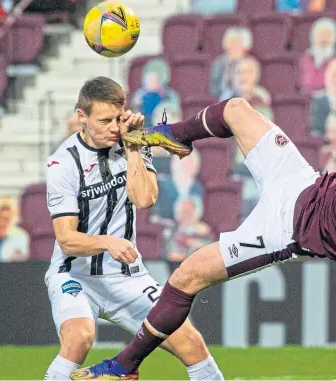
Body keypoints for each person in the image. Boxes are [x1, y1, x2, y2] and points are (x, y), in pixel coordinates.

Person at [71, 97, 336, 380]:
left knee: (187, 275)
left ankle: (124, 366)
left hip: (281, 229)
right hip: (299, 179)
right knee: (236, 109)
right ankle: (175, 138)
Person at [44, 77, 223, 380]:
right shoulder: (63, 164)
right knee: (79, 339)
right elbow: (66, 239)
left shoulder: (133, 141)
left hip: (128, 277)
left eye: (117, 117)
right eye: (104, 121)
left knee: (191, 343)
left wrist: (134, 147)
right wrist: (108, 242)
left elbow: (145, 199)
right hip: (75, 275)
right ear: (81, 117)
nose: (114, 127)